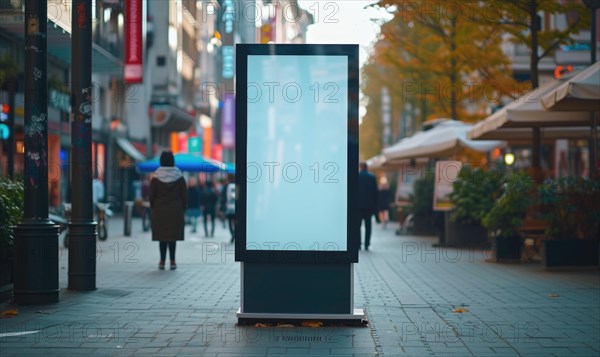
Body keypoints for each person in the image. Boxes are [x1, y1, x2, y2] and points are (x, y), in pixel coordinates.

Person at [150, 151, 187, 270]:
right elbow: (184, 195)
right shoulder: (179, 175)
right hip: (175, 209)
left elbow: (152, 196)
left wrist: (153, 207)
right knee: (172, 237)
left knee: (162, 237)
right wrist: (183, 208)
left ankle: (161, 261)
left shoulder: (156, 176)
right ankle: (172, 261)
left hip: (160, 209)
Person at [358, 162, 378, 250]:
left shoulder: (357, 176)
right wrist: (375, 206)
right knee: (368, 226)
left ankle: (358, 244)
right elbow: (375, 193)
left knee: (357, 226)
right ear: (367, 167)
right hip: (369, 206)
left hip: (357, 206)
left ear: (360, 167)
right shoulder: (372, 177)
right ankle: (367, 244)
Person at [222, 174, 236, 242]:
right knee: (236, 221)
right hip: (236, 207)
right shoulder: (237, 185)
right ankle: (234, 233)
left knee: (230, 222)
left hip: (229, 207)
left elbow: (223, 197)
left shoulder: (227, 186)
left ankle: (232, 234)